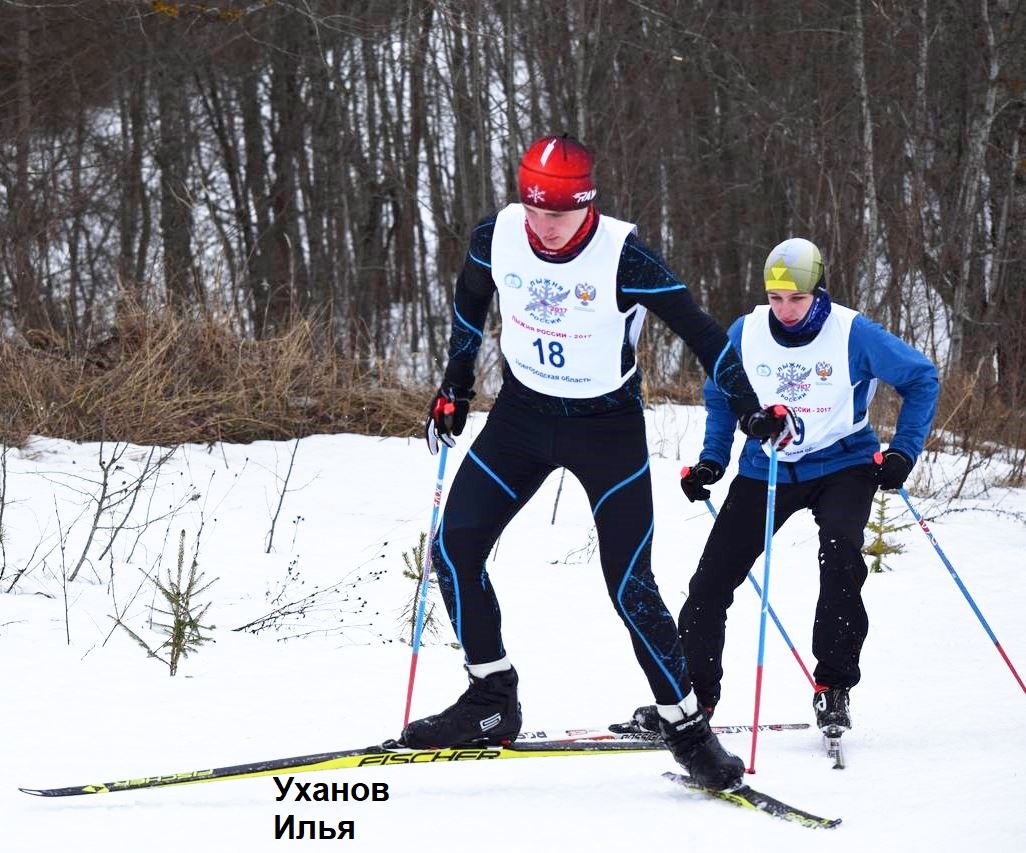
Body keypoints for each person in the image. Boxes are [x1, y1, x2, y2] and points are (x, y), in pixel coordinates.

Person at [400, 134, 788, 790]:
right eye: (534, 212)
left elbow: (704, 333)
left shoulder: (623, 255)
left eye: (558, 215)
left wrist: (750, 407)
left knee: (630, 585)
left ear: (586, 205)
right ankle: (491, 699)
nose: (544, 228)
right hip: (521, 419)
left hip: (606, 429)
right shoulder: (497, 235)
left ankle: (687, 729)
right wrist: (454, 385)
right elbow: (470, 305)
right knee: (455, 547)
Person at [629, 236, 939, 737]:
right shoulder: (747, 331)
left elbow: (921, 378)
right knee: (709, 585)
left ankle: (833, 689)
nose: (786, 310)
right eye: (776, 298)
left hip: (844, 464)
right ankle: (693, 701)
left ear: (819, 291)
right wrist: (712, 460)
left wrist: (904, 450)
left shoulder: (852, 331)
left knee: (840, 555)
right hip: (767, 468)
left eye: (797, 298)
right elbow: (719, 392)